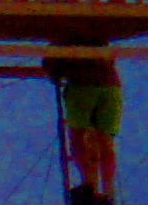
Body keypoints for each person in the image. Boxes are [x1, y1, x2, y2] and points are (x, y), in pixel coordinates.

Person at [44, 51, 122, 205]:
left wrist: (56, 72)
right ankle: (108, 191)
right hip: (112, 86)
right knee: (105, 140)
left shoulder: (64, 39)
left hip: (82, 83)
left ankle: (89, 185)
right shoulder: (101, 39)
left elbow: (51, 66)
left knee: (79, 136)